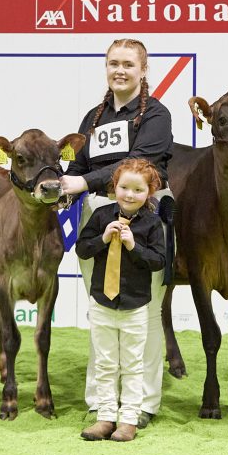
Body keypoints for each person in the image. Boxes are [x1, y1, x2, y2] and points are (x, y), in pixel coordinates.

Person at [60, 38, 174, 428]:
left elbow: (138, 165)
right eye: (113, 63)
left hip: (145, 216)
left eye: (128, 64)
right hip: (98, 216)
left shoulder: (156, 115)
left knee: (146, 313)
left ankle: (141, 404)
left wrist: (83, 182)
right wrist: (65, 187)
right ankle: (102, 404)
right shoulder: (93, 118)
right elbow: (76, 167)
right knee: (101, 312)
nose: (119, 71)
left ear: (143, 70)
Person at [76, 159, 166, 442]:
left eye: (138, 190)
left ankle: (128, 419)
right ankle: (105, 416)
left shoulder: (152, 223)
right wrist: (102, 239)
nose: (129, 195)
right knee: (104, 363)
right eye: (124, 187)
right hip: (102, 302)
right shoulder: (101, 215)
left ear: (149, 192)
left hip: (135, 305)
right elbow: (82, 249)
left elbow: (158, 261)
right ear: (114, 187)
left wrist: (133, 246)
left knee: (132, 364)